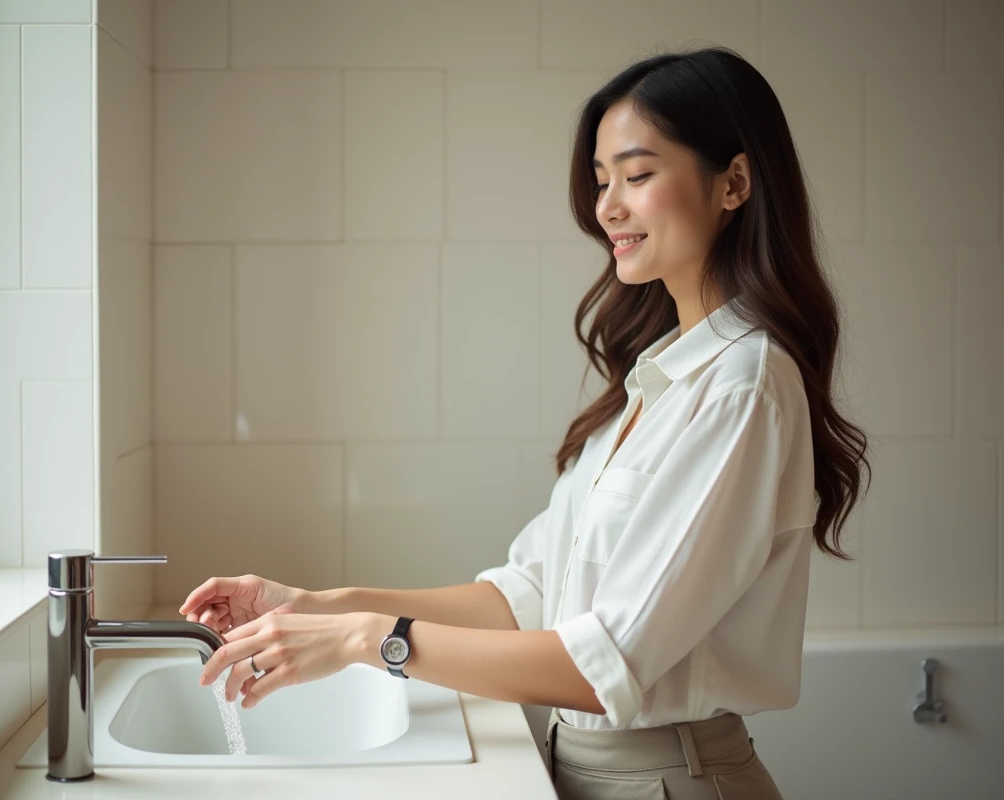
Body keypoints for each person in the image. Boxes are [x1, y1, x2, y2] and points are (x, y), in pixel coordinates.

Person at [182, 46, 871, 800]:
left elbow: (600, 666)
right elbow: (522, 598)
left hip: (672, 780)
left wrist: (361, 641)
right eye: (603, 181)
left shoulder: (744, 388)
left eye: (637, 176)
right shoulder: (656, 382)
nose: (608, 206)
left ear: (734, 183)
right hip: (593, 770)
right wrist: (317, 606)